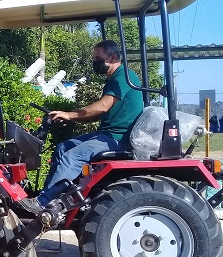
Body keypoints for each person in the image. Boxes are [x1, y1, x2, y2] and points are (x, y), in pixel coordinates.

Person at [21, 40, 144, 214]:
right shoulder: (112, 79)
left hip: (118, 139)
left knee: (72, 157)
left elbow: (102, 106)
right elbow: (99, 114)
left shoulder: (124, 76)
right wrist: (72, 119)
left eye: (98, 58)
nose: (95, 62)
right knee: (63, 148)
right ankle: (52, 197)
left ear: (114, 57)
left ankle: (43, 203)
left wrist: (70, 114)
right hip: (107, 135)